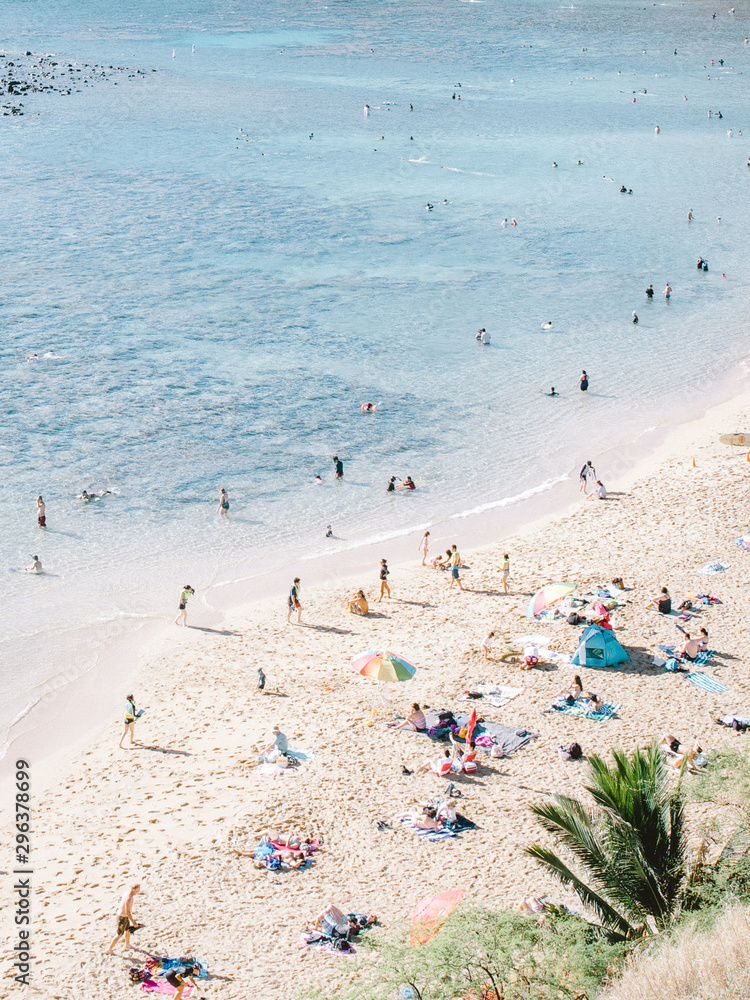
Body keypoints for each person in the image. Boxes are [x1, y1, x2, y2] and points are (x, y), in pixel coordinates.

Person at [107, 884, 141, 953]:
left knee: (128, 930)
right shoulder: (129, 899)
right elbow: (128, 912)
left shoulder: (127, 893)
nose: (139, 891)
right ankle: (109, 949)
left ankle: (127, 945)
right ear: (134, 890)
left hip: (124, 916)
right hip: (122, 918)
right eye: (138, 890)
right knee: (119, 934)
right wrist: (133, 922)